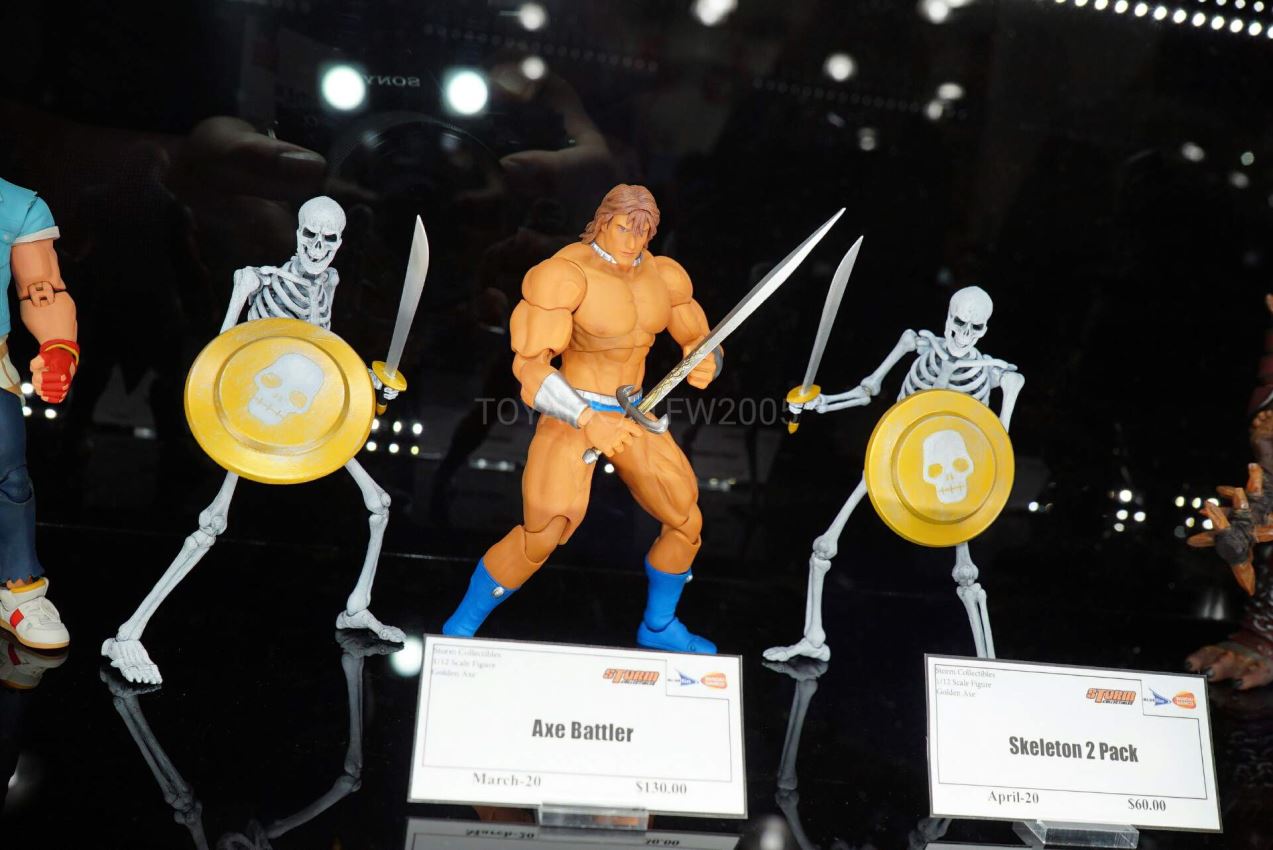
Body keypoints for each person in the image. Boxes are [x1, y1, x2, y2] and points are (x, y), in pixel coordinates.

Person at [441, 184, 720, 653]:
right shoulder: (565, 274)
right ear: (602, 221)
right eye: (623, 228)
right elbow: (530, 367)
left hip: (635, 411)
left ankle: (658, 626)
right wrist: (587, 418)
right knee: (543, 532)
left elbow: (698, 336)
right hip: (573, 412)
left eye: (643, 232)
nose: (633, 241)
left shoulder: (664, 275)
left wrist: (706, 359)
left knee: (685, 520)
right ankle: (460, 629)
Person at [0, 177, 78, 651]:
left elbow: (40, 289)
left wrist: (58, 347)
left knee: (9, 474)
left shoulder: (14, 207)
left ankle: (19, 589)